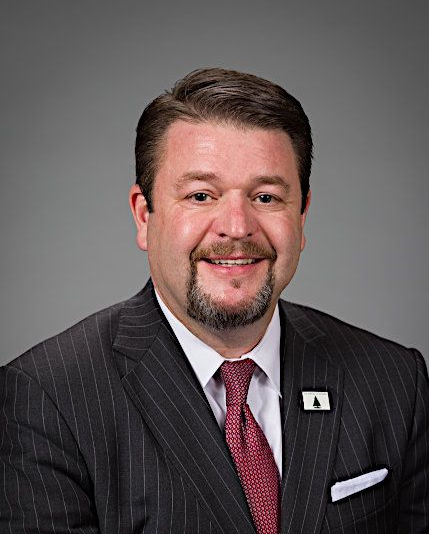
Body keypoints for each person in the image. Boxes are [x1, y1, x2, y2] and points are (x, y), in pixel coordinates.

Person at [1, 68, 428, 534]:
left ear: (302, 216)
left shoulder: (394, 382)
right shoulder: (47, 399)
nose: (237, 227)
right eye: (201, 195)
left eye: (266, 197)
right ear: (145, 216)